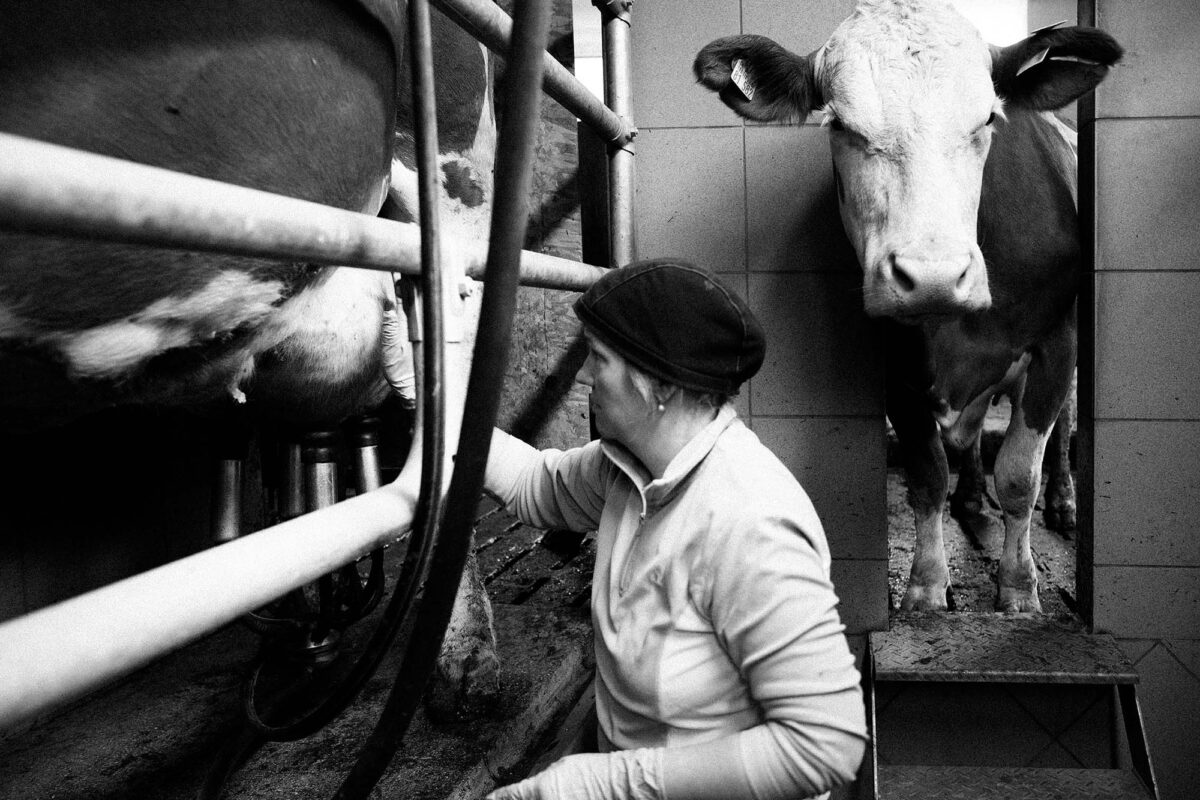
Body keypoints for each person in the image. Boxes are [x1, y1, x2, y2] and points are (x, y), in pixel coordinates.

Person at [480, 259, 868, 800]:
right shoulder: (623, 468)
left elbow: (826, 745)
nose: (581, 377)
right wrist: (432, 396)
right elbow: (532, 485)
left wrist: (598, 782)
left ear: (658, 384)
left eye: (598, 358)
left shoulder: (749, 521)